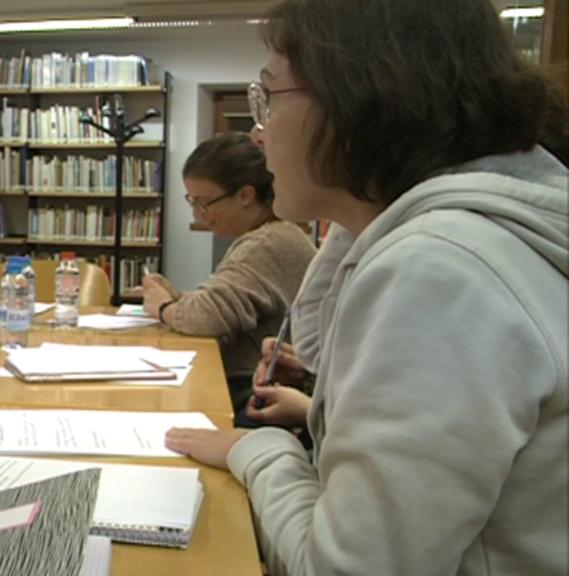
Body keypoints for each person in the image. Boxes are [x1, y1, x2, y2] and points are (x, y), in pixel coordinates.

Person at [166, 1, 568, 574]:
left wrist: (255, 448)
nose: (258, 136)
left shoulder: (438, 268)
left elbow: (344, 568)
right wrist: (326, 403)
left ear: (356, 101)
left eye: (267, 98)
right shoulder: (468, 239)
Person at [140, 132, 316, 408]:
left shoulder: (266, 243)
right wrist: (178, 299)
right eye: (191, 201)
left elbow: (205, 318)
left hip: (251, 392)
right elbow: (229, 301)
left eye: (204, 202)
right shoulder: (271, 234)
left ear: (245, 195)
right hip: (250, 382)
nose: (197, 214)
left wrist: (164, 308)